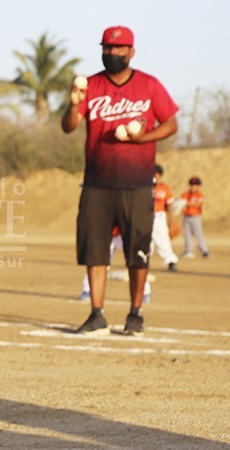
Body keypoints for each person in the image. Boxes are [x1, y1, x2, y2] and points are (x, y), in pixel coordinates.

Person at [61, 25, 178, 336]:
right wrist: (73, 104)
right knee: (95, 250)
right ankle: (96, 314)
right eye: (107, 48)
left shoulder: (149, 85)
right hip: (97, 183)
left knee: (138, 251)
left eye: (119, 48)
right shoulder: (91, 86)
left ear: (131, 52)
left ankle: (135, 314)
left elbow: (171, 124)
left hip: (137, 183)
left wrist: (143, 139)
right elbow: (68, 127)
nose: (112, 53)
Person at [78, 228, 152, 303]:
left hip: (125, 231)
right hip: (107, 231)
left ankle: (144, 292)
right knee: (98, 261)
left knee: (135, 260)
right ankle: (87, 290)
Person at [152, 164, 179, 271]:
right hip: (146, 216)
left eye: (156, 174)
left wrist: (170, 219)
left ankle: (171, 260)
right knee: (144, 241)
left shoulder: (164, 188)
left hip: (159, 217)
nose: (154, 176)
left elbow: (169, 204)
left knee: (163, 239)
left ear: (160, 175)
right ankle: (143, 261)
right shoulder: (146, 187)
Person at [181, 176, 209, 258]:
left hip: (196, 217)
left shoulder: (200, 195)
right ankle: (189, 250)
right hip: (187, 216)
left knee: (198, 233)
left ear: (198, 186)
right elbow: (181, 202)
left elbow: (198, 204)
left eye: (195, 185)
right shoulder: (186, 194)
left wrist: (187, 203)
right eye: (192, 185)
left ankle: (204, 250)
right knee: (187, 234)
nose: (193, 187)